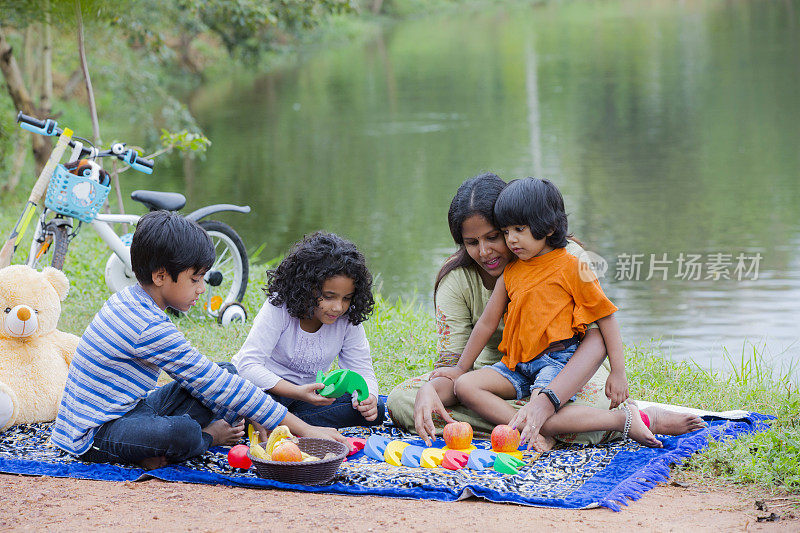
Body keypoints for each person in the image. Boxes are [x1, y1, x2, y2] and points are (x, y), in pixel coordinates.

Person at [386, 173, 705, 450]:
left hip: (568, 372)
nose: (487, 250)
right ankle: (551, 426)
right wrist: (430, 388)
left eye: (495, 236)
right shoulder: (460, 279)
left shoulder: (569, 260)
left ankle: (584, 420)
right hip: (501, 375)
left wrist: (548, 399)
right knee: (406, 400)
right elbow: (455, 364)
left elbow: (597, 338)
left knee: (587, 401)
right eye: (472, 242)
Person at [51, 211, 347, 469]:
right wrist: (305, 429)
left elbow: (215, 380)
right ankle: (207, 437)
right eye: (195, 279)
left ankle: (155, 451)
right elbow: (212, 384)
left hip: (130, 409)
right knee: (184, 432)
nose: (202, 289)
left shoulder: (134, 299)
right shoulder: (145, 325)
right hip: (92, 435)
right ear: (160, 276)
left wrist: (259, 413)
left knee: (227, 373)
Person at [233, 232, 384, 428]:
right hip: (267, 392)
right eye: (329, 296)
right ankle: (283, 422)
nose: (338, 307)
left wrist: (367, 397)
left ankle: (280, 423)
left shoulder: (347, 319)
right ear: (306, 287)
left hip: (309, 399)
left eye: (346, 298)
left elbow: (361, 368)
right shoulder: (280, 307)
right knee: (239, 407)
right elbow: (247, 365)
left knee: (377, 410)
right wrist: (296, 391)